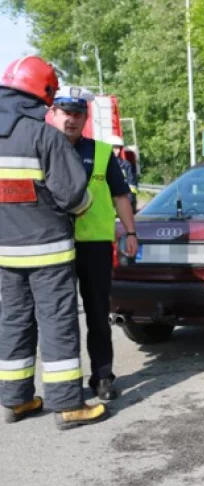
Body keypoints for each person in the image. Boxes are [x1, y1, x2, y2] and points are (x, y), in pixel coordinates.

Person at [0, 56, 109, 429]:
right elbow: (73, 195)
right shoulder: (43, 135)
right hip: (48, 251)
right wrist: (83, 208)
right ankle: (68, 405)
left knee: (13, 321)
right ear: (44, 92)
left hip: (4, 253)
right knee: (57, 322)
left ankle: (17, 399)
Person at [48, 86, 138, 401]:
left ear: (85, 117)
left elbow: (120, 195)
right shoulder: (41, 149)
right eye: (65, 113)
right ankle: (65, 384)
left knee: (98, 314)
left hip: (95, 245)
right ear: (53, 114)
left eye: (77, 114)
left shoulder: (100, 152)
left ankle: (102, 377)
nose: (70, 120)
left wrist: (130, 232)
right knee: (60, 318)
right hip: (53, 245)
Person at [107, 135, 139, 212]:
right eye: (115, 148)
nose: (117, 151)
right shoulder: (103, 164)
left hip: (124, 200)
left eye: (119, 148)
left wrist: (131, 199)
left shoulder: (126, 164)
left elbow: (131, 184)